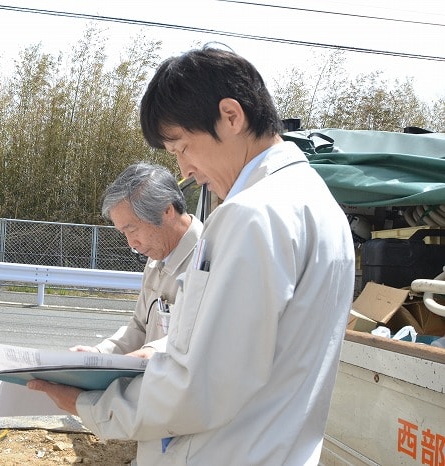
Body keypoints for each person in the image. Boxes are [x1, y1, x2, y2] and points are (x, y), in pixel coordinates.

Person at [28, 45, 355, 465]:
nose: (184, 170)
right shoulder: (318, 205)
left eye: (182, 147)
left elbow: (202, 385)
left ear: (231, 116)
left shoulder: (251, 216)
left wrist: (88, 404)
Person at [70, 162, 203, 358]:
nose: (131, 243)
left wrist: (152, 351)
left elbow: (199, 335)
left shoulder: (207, 259)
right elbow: (140, 328)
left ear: (167, 210)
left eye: (132, 229)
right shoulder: (156, 257)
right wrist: (99, 353)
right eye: (124, 233)